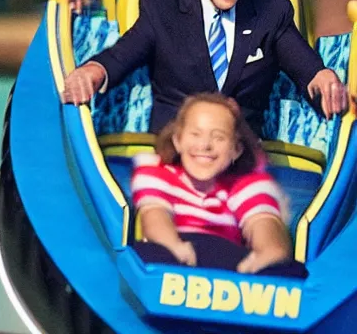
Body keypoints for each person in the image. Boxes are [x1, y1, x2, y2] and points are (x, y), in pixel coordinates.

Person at [62, 0, 348, 137]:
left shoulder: (271, 11)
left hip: (241, 155)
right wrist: (92, 71)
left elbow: (306, 66)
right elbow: (122, 55)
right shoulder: (161, 6)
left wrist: (324, 79)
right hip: (175, 151)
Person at [131, 93, 306, 276]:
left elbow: (265, 226)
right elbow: (155, 217)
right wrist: (173, 246)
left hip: (230, 267)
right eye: (195, 134)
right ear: (178, 140)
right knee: (146, 255)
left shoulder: (245, 185)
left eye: (219, 138)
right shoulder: (158, 173)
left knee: (288, 270)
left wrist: (265, 257)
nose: (205, 145)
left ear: (236, 150)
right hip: (174, 257)